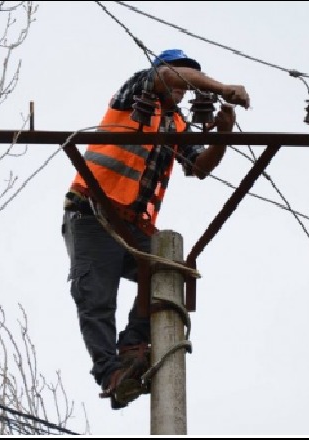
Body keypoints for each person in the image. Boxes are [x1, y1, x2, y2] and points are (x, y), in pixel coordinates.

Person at [61, 49, 250, 409]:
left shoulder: (176, 123)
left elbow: (199, 167)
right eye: (183, 79)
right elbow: (169, 77)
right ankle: (110, 373)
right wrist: (222, 88)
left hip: (131, 227)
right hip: (93, 213)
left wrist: (222, 134)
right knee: (95, 295)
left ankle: (133, 347)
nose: (184, 89)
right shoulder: (136, 92)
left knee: (168, 277)